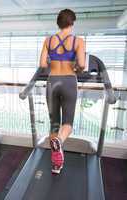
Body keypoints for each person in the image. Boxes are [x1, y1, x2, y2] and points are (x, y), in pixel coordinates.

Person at [39, 9, 86, 174]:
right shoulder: (78, 41)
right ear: (72, 23)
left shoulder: (48, 40)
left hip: (52, 81)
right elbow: (82, 64)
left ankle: (56, 164)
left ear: (58, 23)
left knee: (54, 123)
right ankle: (59, 140)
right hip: (69, 81)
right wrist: (76, 68)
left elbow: (43, 64)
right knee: (67, 124)